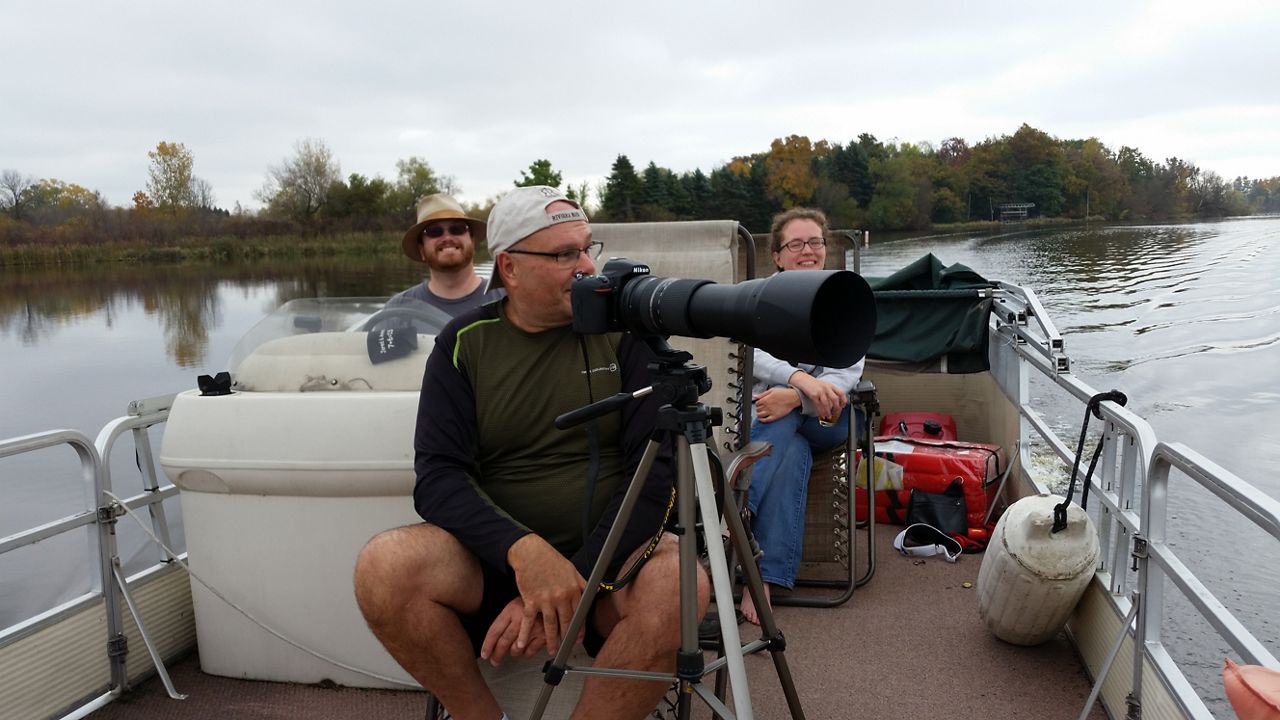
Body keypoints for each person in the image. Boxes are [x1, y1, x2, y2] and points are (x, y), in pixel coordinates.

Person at [353, 185, 709, 720]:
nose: (588, 266)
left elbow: (656, 473)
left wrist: (576, 578)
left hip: (613, 568)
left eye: (589, 247)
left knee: (682, 583)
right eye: (565, 254)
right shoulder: (463, 342)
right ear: (510, 268)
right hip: (496, 567)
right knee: (384, 566)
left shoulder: (628, 335)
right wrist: (525, 555)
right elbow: (438, 477)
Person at [741, 207, 865, 625]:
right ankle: (764, 579)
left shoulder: (846, 301)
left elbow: (842, 379)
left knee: (784, 417)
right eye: (796, 244)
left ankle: (734, 514)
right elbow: (749, 353)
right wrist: (799, 379)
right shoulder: (758, 299)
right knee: (789, 448)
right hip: (775, 421)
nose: (807, 251)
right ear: (777, 255)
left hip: (829, 419)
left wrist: (796, 396)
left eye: (815, 242)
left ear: (826, 250)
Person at [388, 193, 504, 317]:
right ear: (422, 250)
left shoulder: (510, 298)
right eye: (434, 232)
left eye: (458, 229)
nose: (447, 237)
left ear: (472, 241)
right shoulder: (397, 310)